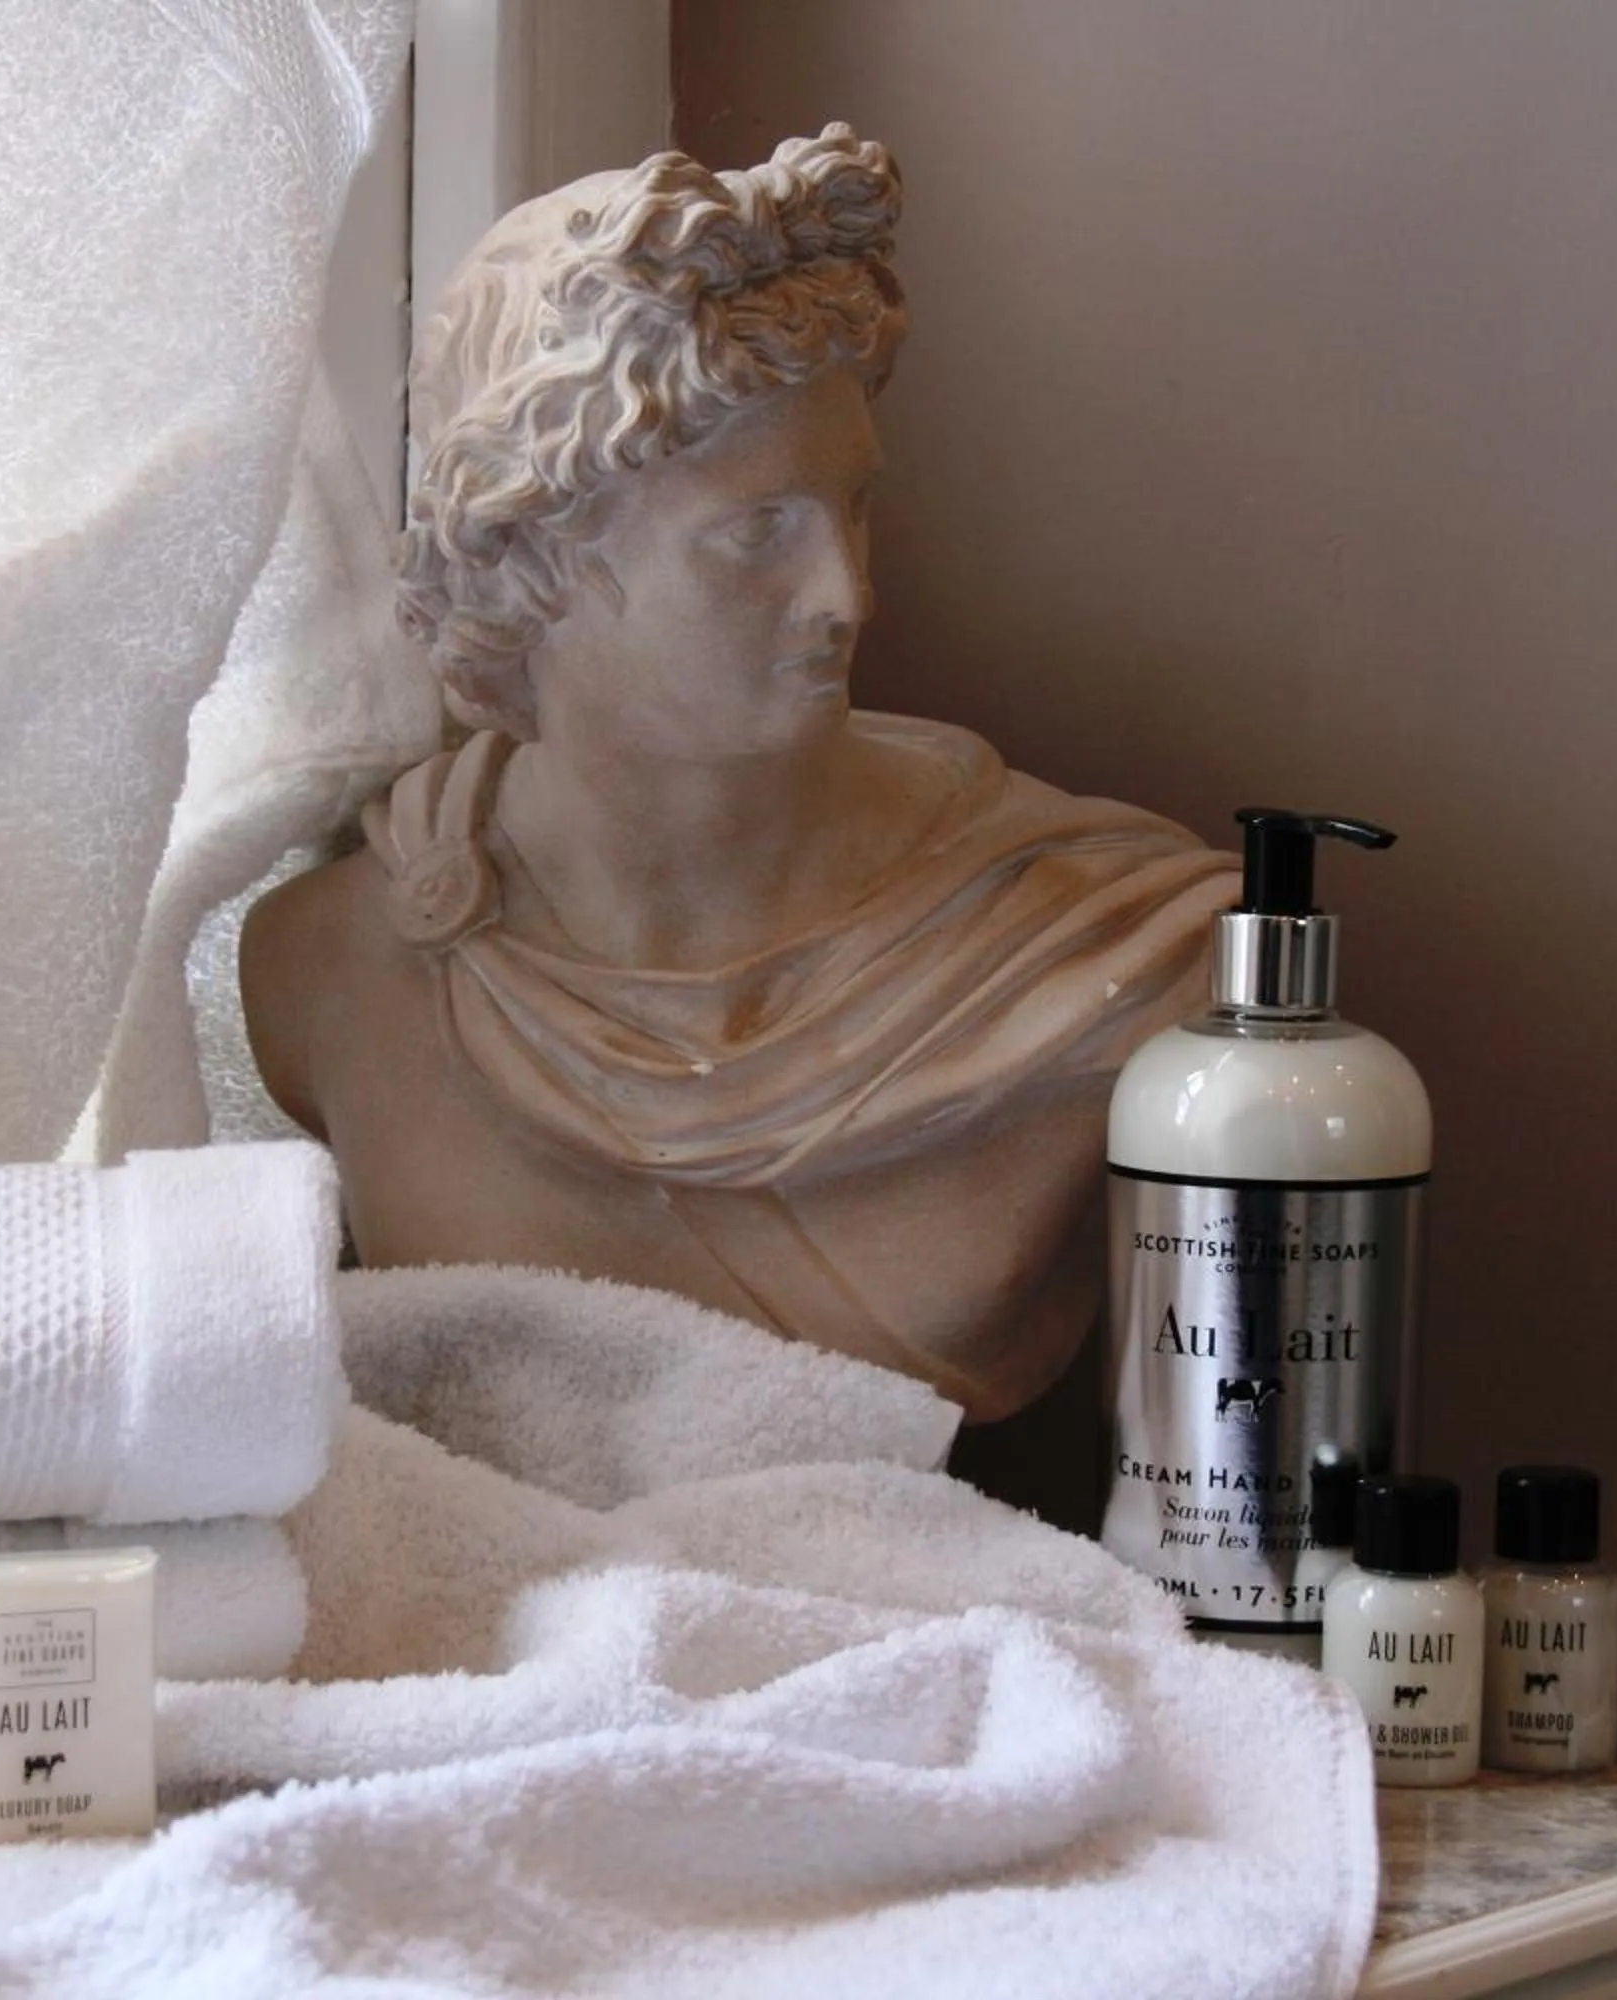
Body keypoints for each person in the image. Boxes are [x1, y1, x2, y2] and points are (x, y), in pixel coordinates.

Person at [242, 127, 1235, 1516]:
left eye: (853, 510)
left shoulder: (1109, 948)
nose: (845, 597)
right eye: (753, 532)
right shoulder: (329, 969)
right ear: (535, 561)